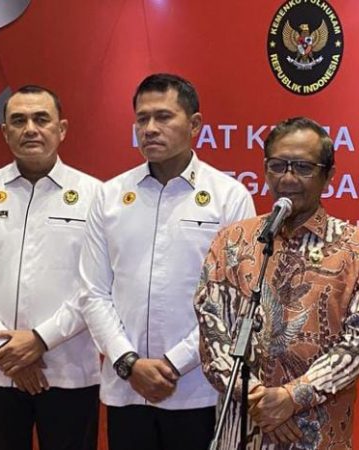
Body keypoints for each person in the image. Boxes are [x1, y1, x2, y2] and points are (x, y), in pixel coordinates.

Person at [77, 73, 256, 450]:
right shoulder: (110, 196)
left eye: (163, 117)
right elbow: (93, 291)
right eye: (142, 119)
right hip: (126, 387)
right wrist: (128, 363)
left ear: (195, 125)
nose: (150, 129)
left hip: (197, 387)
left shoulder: (229, 198)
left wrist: (173, 364)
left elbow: (234, 301)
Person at [195, 116, 359, 449]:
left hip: (319, 433)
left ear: (328, 175)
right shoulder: (233, 241)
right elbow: (211, 327)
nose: (288, 178)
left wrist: (291, 398)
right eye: (278, 166)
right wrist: (259, 401)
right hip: (242, 429)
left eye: (303, 167)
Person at [0, 85, 101, 450]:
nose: (30, 128)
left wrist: (40, 340)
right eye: (19, 120)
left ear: (61, 129)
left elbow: (96, 285)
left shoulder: (95, 196)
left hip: (69, 370)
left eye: (41, 119)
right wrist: (8, 350)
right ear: (4, 132)